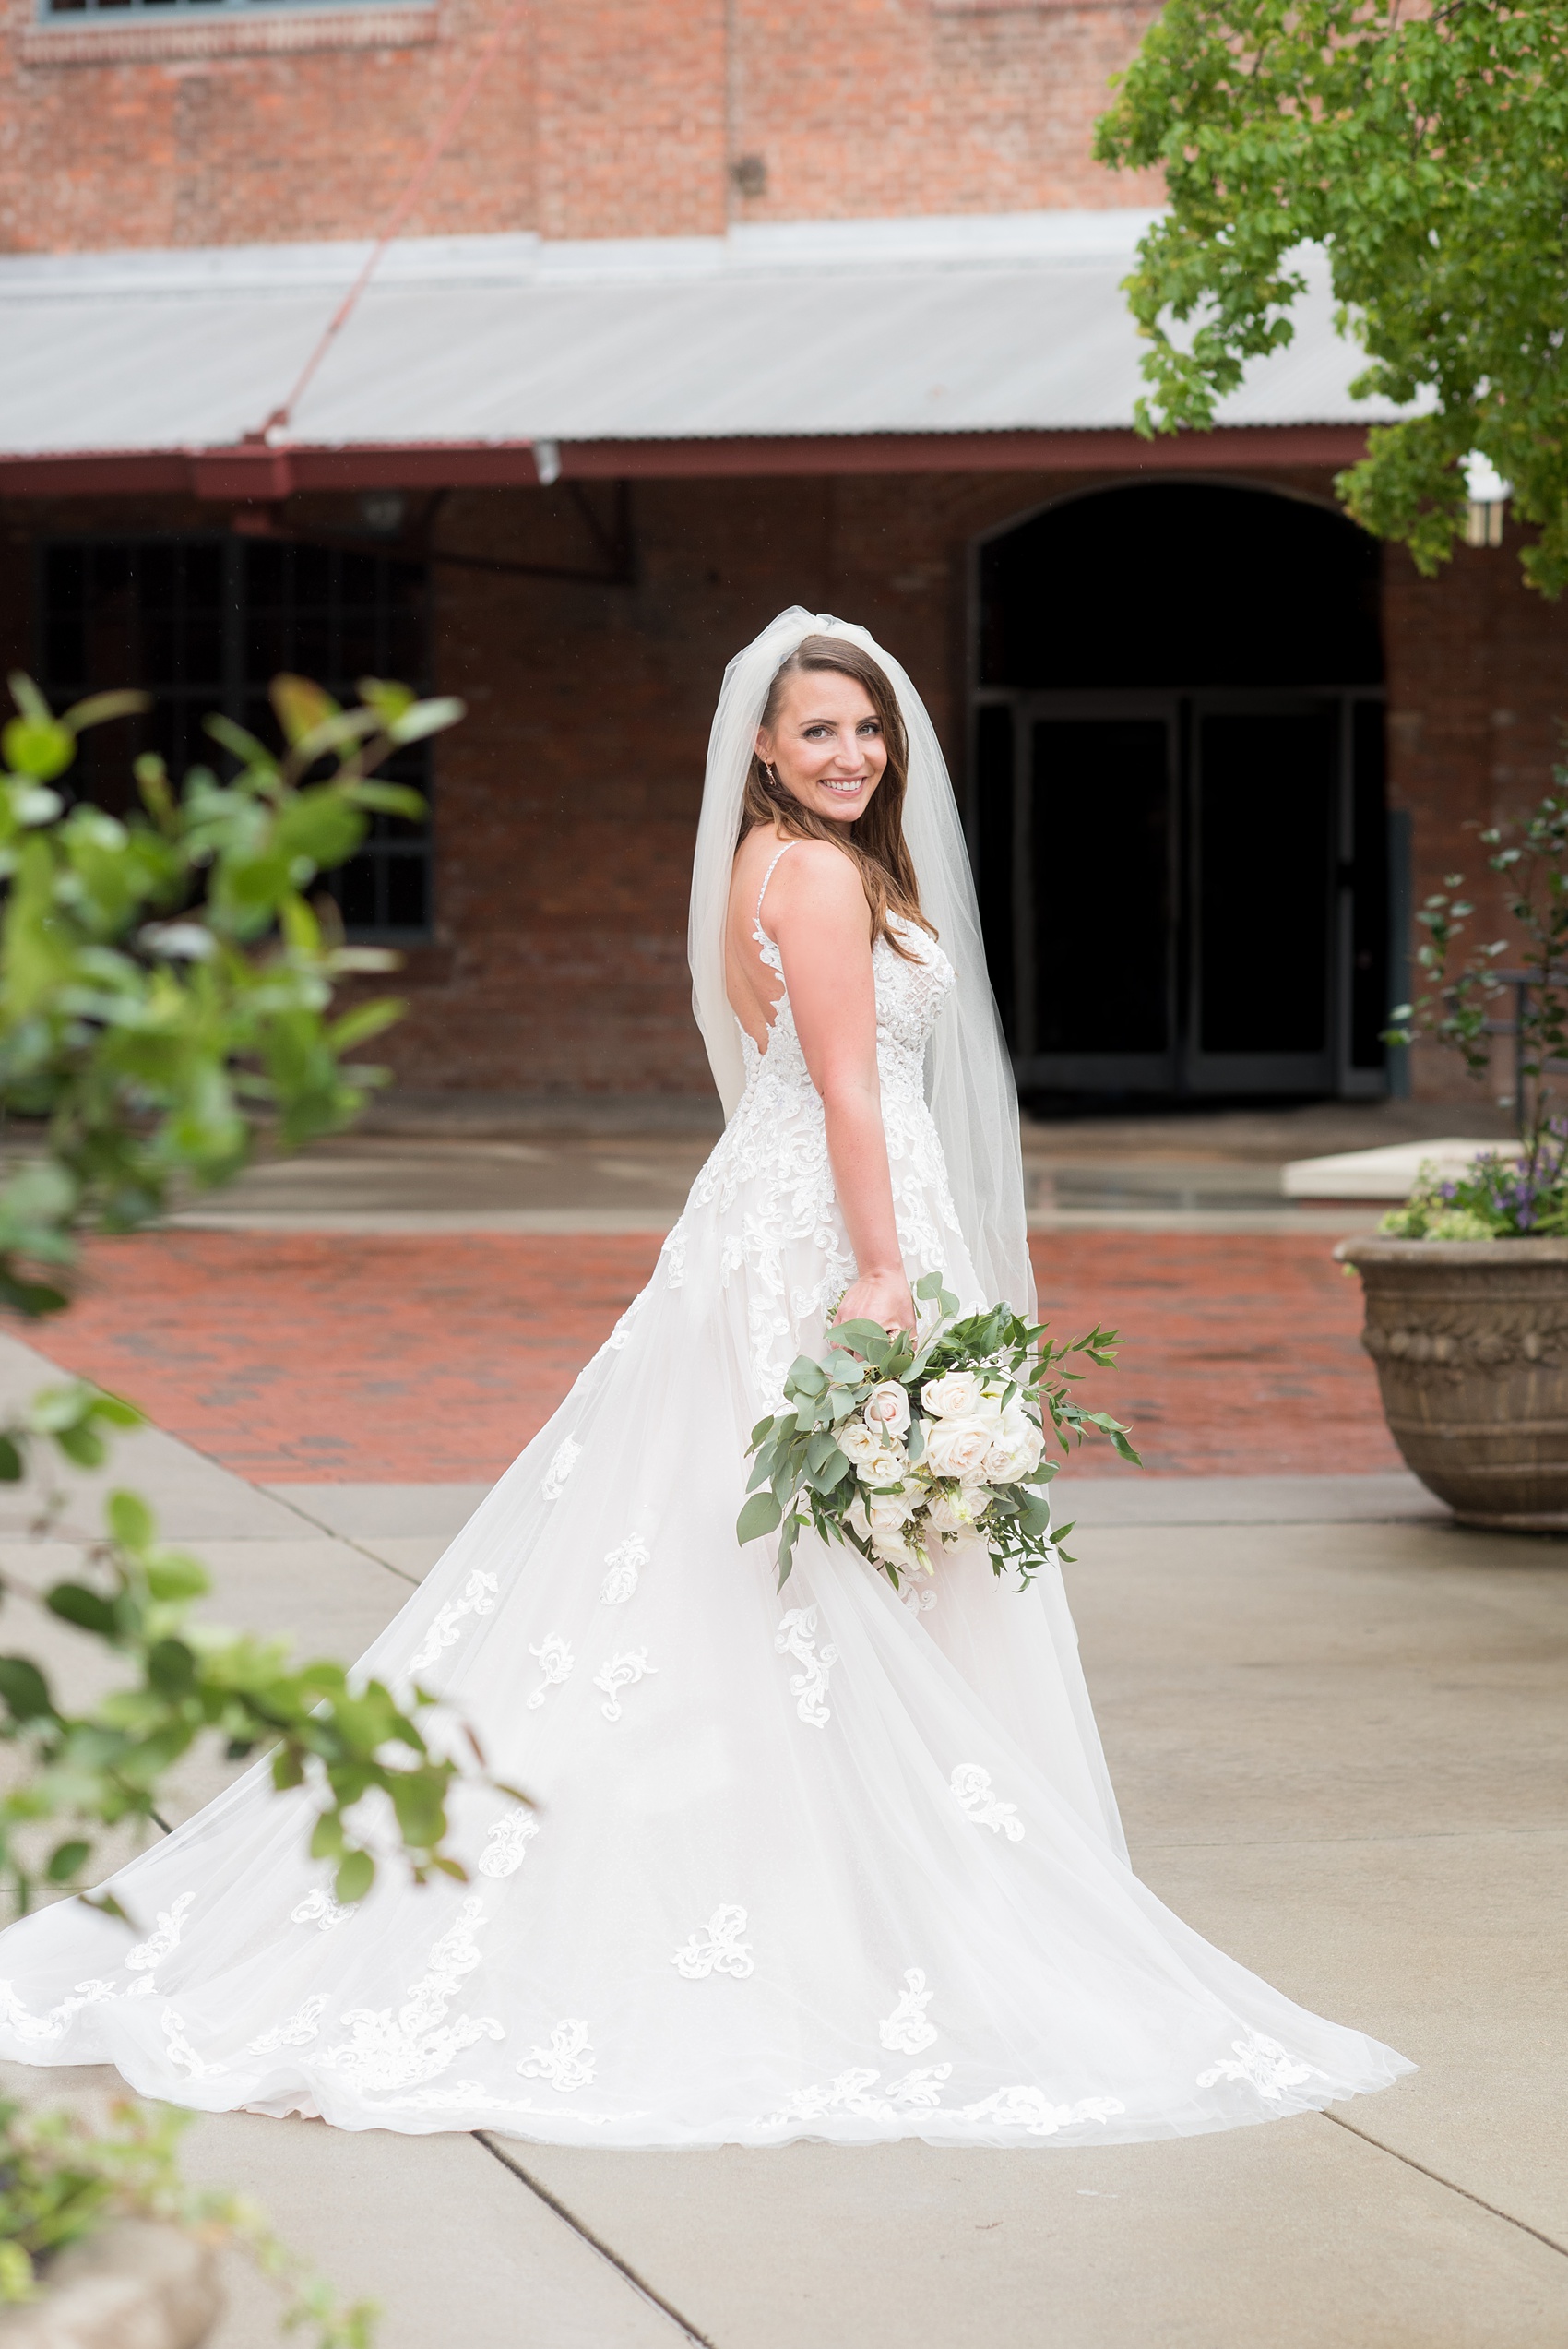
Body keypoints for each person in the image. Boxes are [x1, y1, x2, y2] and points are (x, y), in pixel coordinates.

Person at [0, 610, 1411, 2146]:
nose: (852, 756)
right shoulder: (807, 873)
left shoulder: (798, 866)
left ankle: (851, 1873)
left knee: (790, 1560)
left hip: (787, 1207)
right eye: (820, 732)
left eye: (867, 732)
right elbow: (853, 1087)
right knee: (824, 1562)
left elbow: (795, 1080)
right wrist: (882, 1270)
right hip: (832, 1230)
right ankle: (857, 1902)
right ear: (761, 745)